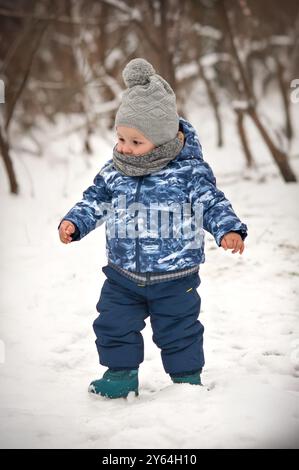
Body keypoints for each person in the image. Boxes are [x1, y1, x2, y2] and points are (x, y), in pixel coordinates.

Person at [58, 58, 248, 399]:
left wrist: (227, 230)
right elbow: (96, 198)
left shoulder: (189, 171)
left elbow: (213, 202)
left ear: (160, 140)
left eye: (136, 141)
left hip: (176, 277)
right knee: (112, 324)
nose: (125, 148)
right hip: (122, 274)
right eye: (121, 139)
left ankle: (187, 380)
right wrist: (75, 221)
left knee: (180, 330)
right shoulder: (114, 169)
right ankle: (120, 375)